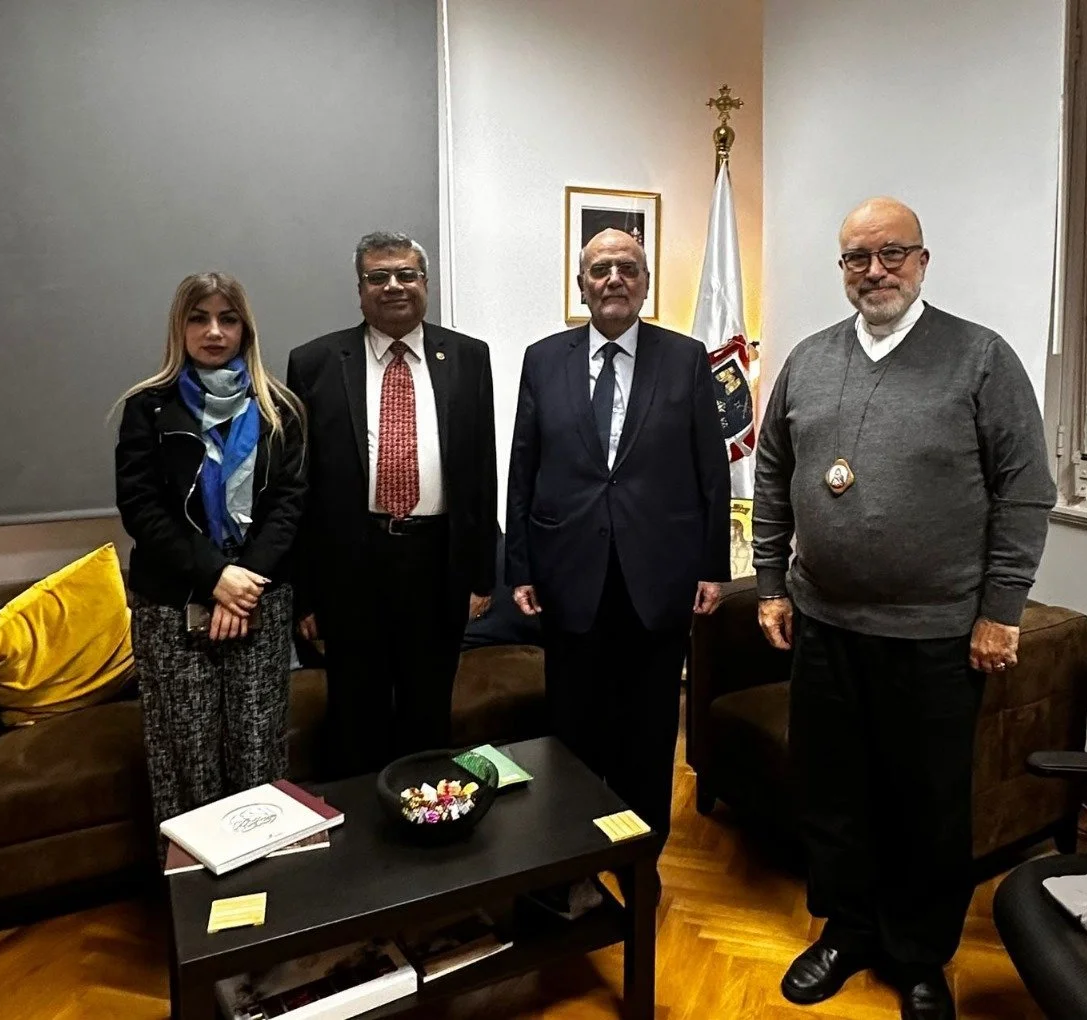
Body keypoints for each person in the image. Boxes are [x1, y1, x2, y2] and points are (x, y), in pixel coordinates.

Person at [752, 198, 1056, 1020]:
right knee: (835, 795)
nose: (875, 271)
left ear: (924, 261)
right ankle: (847, 933)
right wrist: (771, 581)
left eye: (892, 253)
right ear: (842, 270)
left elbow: (1027, 494)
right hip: (825, 627)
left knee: (926, 805)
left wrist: (1001, 610)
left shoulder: (980, 358)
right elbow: (772, 475)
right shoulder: (810, 361)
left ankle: (921, 957)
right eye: (858, 258)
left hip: (937, 636)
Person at [505, 228, 730, 887]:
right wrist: (519, 565)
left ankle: (639, 859)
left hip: (655, 578)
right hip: (567, 573)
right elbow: (523, 466)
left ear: (645, 282)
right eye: (599, 268)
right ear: (580, 284)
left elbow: (710, 470)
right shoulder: (543, 359)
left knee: (649, 731)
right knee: (573, 730)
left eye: (627, 268)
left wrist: (713, 565)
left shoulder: (686, 360)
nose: (613, 278)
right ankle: (574, 855)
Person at [286, 231, 497, 779]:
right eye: (378, 277)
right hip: (353, 567)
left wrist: (481, 574)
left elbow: (480, 471)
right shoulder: (313, 363)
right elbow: (299, 490)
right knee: (356, 714)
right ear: (359, 290)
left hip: (438, 562)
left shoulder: (469, 357)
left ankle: (428, 828)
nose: (394, 286)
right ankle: (363, 847)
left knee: (429, 712)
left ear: (425, 283)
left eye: (406, 274)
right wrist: (304, 596)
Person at [115, 271, 306, 843]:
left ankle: (266, 907)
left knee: (258, 754)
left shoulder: (281, 408)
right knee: (188, 759)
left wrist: (242, 585)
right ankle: (196, 911)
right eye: (199, 318)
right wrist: (215, 576)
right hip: (173, 607)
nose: (215, 331)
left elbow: (291, 505)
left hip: (258, 602)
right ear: (181, 327)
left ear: (245, 326)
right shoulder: (147, 408)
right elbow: (142, 511)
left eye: (227, 318)